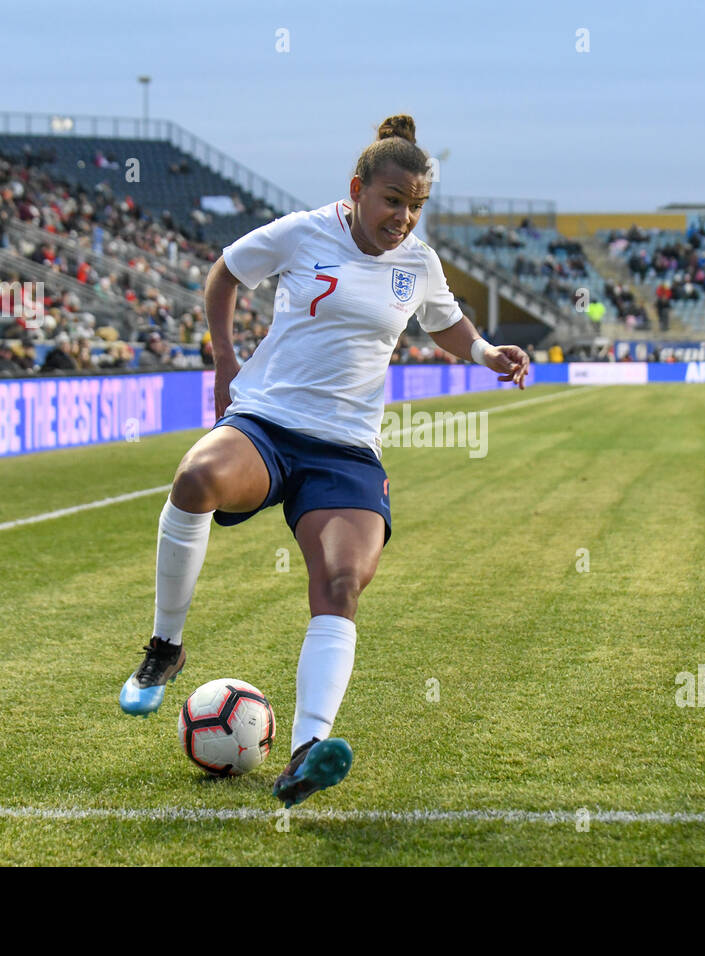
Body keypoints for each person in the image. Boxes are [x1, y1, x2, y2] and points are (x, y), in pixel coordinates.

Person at [117, 114, 529, 809]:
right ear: (358, 189)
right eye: (393, 199)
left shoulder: (418, 263)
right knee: (194, 479)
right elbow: (224, 273)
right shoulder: (303, 231)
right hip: (268, 423)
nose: (404, 216)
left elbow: (445, 320)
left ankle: (307, 751)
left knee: (340, 583)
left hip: (346, 452)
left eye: (417, 204)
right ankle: (166, 644)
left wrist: (489, 354)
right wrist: (223, 361)